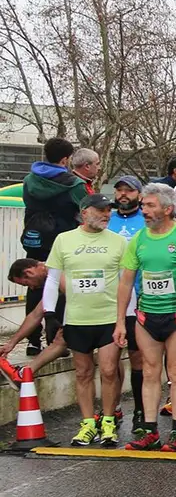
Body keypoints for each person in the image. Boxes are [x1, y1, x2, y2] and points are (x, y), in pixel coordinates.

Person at [114, 183, 176, 452]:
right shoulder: (139, 239)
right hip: (145, 315)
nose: (144, 210)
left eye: (150, 205)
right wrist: (121, 320)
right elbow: (126, 282)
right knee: (150, 373)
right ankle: (151, 431)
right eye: (143, 205)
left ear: (167, 209)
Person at [44, 194, 128, 446]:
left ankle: (109, 421)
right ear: (84, 212)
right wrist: (49, 314)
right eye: (101, 210)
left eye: (108, 210)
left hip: (108, 317)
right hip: (78, 318)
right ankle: (88, 423)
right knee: (82, 372)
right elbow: (51, 279)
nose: (106, 214)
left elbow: (126, 282)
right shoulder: (64, 240)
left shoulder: (119, 242)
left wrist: (126, 318)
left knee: (109, 370)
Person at [21, 136, 85, 355]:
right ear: (66, 159)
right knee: (59, 286)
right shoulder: (73, 183)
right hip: (62, 240)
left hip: (35, 238)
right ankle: (55, 339)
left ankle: (32, 341)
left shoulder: (29, 179)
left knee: (35, 285)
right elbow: (85, 208)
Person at [106, 175, 147, 423]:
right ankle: (114, 406)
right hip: (109, 297)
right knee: (109, 358)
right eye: (119, 190)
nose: (123, 194)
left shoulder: (146, 220)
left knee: (137, 356)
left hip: (139, 296)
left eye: (129, 191)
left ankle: (141, 410)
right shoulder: (106, 220)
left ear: (139, 195)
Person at [0, 260, 68, 381]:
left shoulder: (57, 272)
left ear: (29, 272)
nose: (32, 288)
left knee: (62, 339)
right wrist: (12, 343)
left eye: (27, 284)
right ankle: (24, 374)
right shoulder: (53, 279)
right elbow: (36, 315)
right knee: (61, 340)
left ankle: (24, 373)